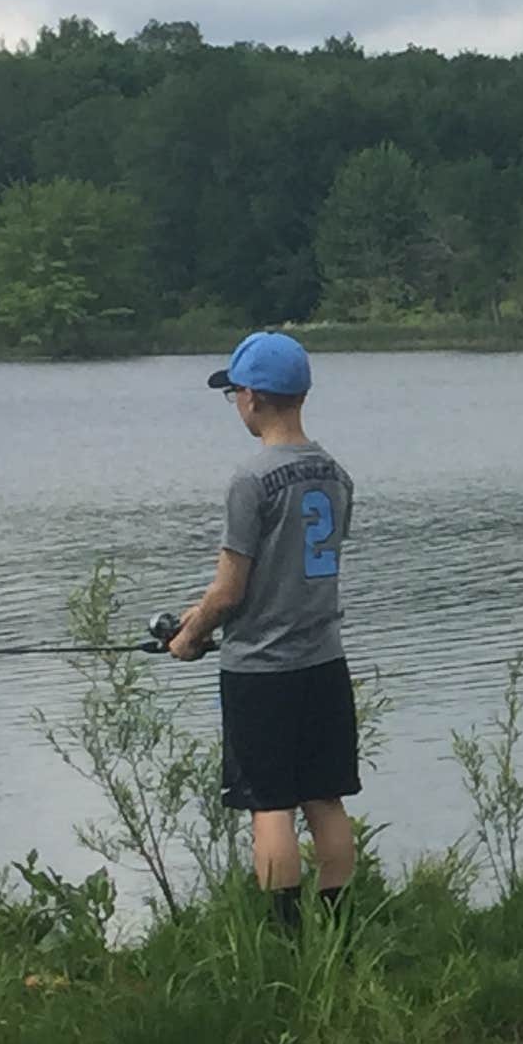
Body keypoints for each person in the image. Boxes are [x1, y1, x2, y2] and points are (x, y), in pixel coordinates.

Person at [167, 330, 360, 930]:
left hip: (262, 672)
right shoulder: (336, 475)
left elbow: (230, 590)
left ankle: (285, 937)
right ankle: (339, 932)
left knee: (270, 805)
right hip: (324, 662)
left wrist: (189, 635)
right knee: (325, 799)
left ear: (251, 397)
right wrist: (202, 616)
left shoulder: (251, 481)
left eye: (235, 395)